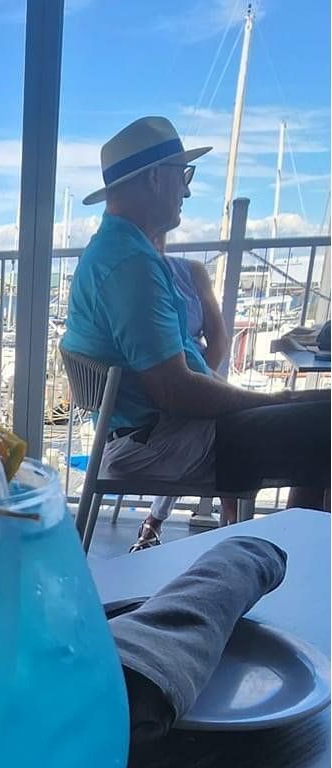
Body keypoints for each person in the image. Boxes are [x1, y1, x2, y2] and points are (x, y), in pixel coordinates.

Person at [62, 116, 329, 526]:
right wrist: (276, 401)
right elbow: (175, 391)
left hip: (144, 432)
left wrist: (279, 403)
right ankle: (294, 548)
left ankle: (291, 544)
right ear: (156, 178)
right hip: (158, 442)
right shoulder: (132, 265)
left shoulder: (111, 250)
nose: (186, 190)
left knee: (318, 416)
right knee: (322, 428)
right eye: (183, 175)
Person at [130, 234, 234, 550]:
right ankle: (234, 528)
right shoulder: (127, 276)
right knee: (234, 433)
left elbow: (219, 339)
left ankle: (158, 521)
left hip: (195, 376)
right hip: (152, 394)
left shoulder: (192, 272)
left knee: (223, 425)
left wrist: (196, 380)